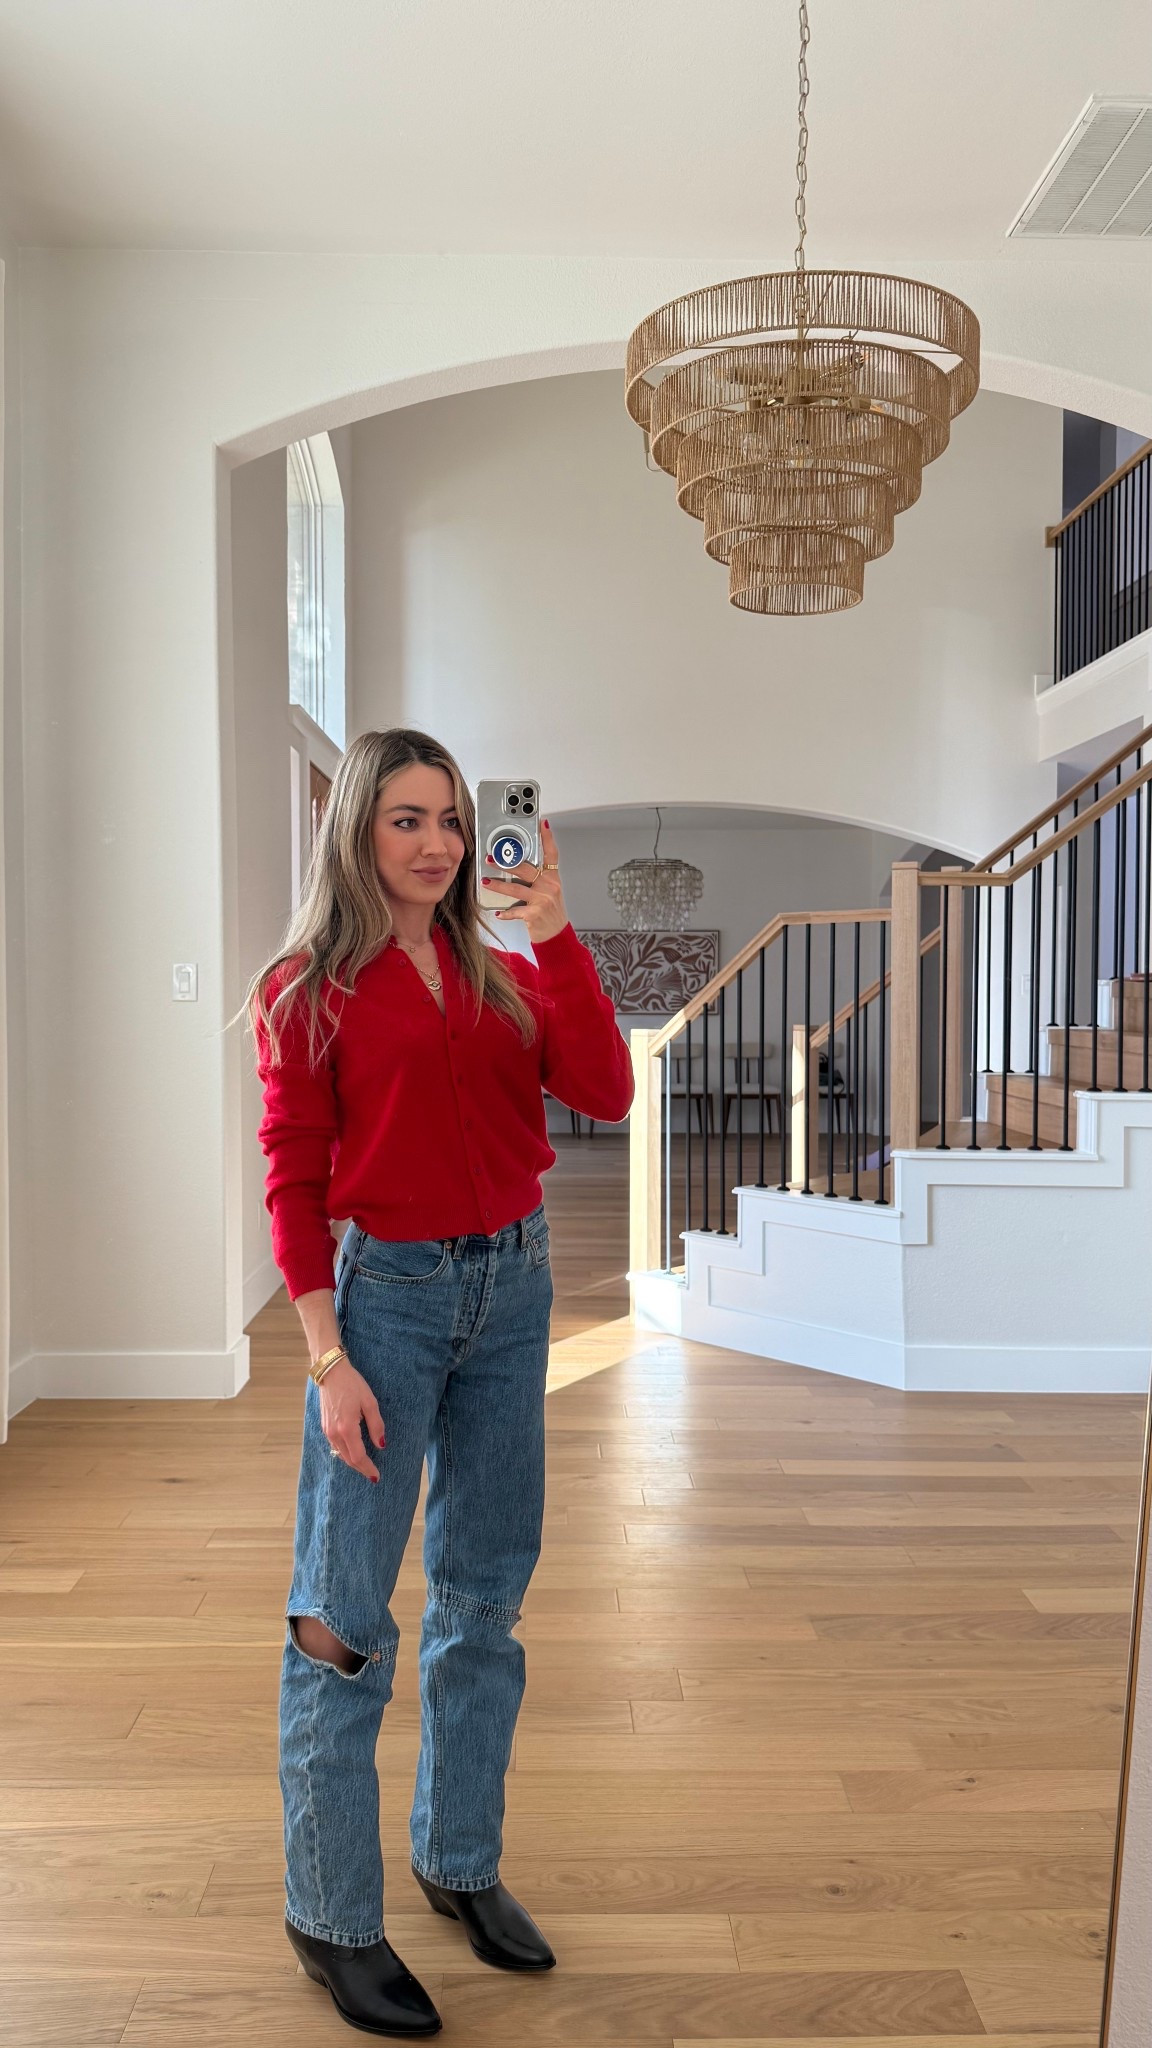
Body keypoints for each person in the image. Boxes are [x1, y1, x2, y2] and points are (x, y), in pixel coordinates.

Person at [248, 727, 634, 2038]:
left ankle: (457, 1861)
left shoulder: (507, 969)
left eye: (454, 821)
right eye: (406, 819)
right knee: (344, 1615)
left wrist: (562, 934)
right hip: (390, 1304)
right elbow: (292, 1180)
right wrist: (325, 1356)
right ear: (359, 830)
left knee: (485, 1596)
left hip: (516, 1287)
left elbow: (607, 1090)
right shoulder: (308, 986)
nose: (436, 845)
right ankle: (330, 1912)